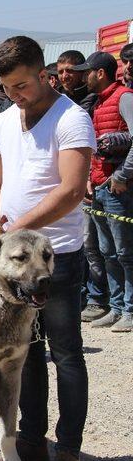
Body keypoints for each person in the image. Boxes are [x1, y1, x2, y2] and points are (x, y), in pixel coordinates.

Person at [0, 36, 95, 461]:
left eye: (22, 84)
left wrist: (17, 228)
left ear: (44, 74)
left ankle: (68, 454)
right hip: (13, 264)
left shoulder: (72, 119)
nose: (16, 94)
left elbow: (72, 189)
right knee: (24, 352)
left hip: (54, 258)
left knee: (65, 354)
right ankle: (30, 441)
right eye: (8, 87)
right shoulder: (3, 121)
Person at [74, 51, 133, 332]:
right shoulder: (97, 103)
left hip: (118, 189)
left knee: (125, 252)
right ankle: (116, 305)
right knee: (107, 251)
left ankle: (130, 310)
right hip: (98, 186)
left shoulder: (124, 97)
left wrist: (122, 176)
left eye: (87, 72)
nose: (83, 77)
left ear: (100, 73)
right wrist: (88, 178)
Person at [57, 50, 98, 114]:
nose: (64, 76)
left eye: (69, 71)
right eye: (60, 72)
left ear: (81, 71)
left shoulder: (96, 99)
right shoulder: (56, 98)